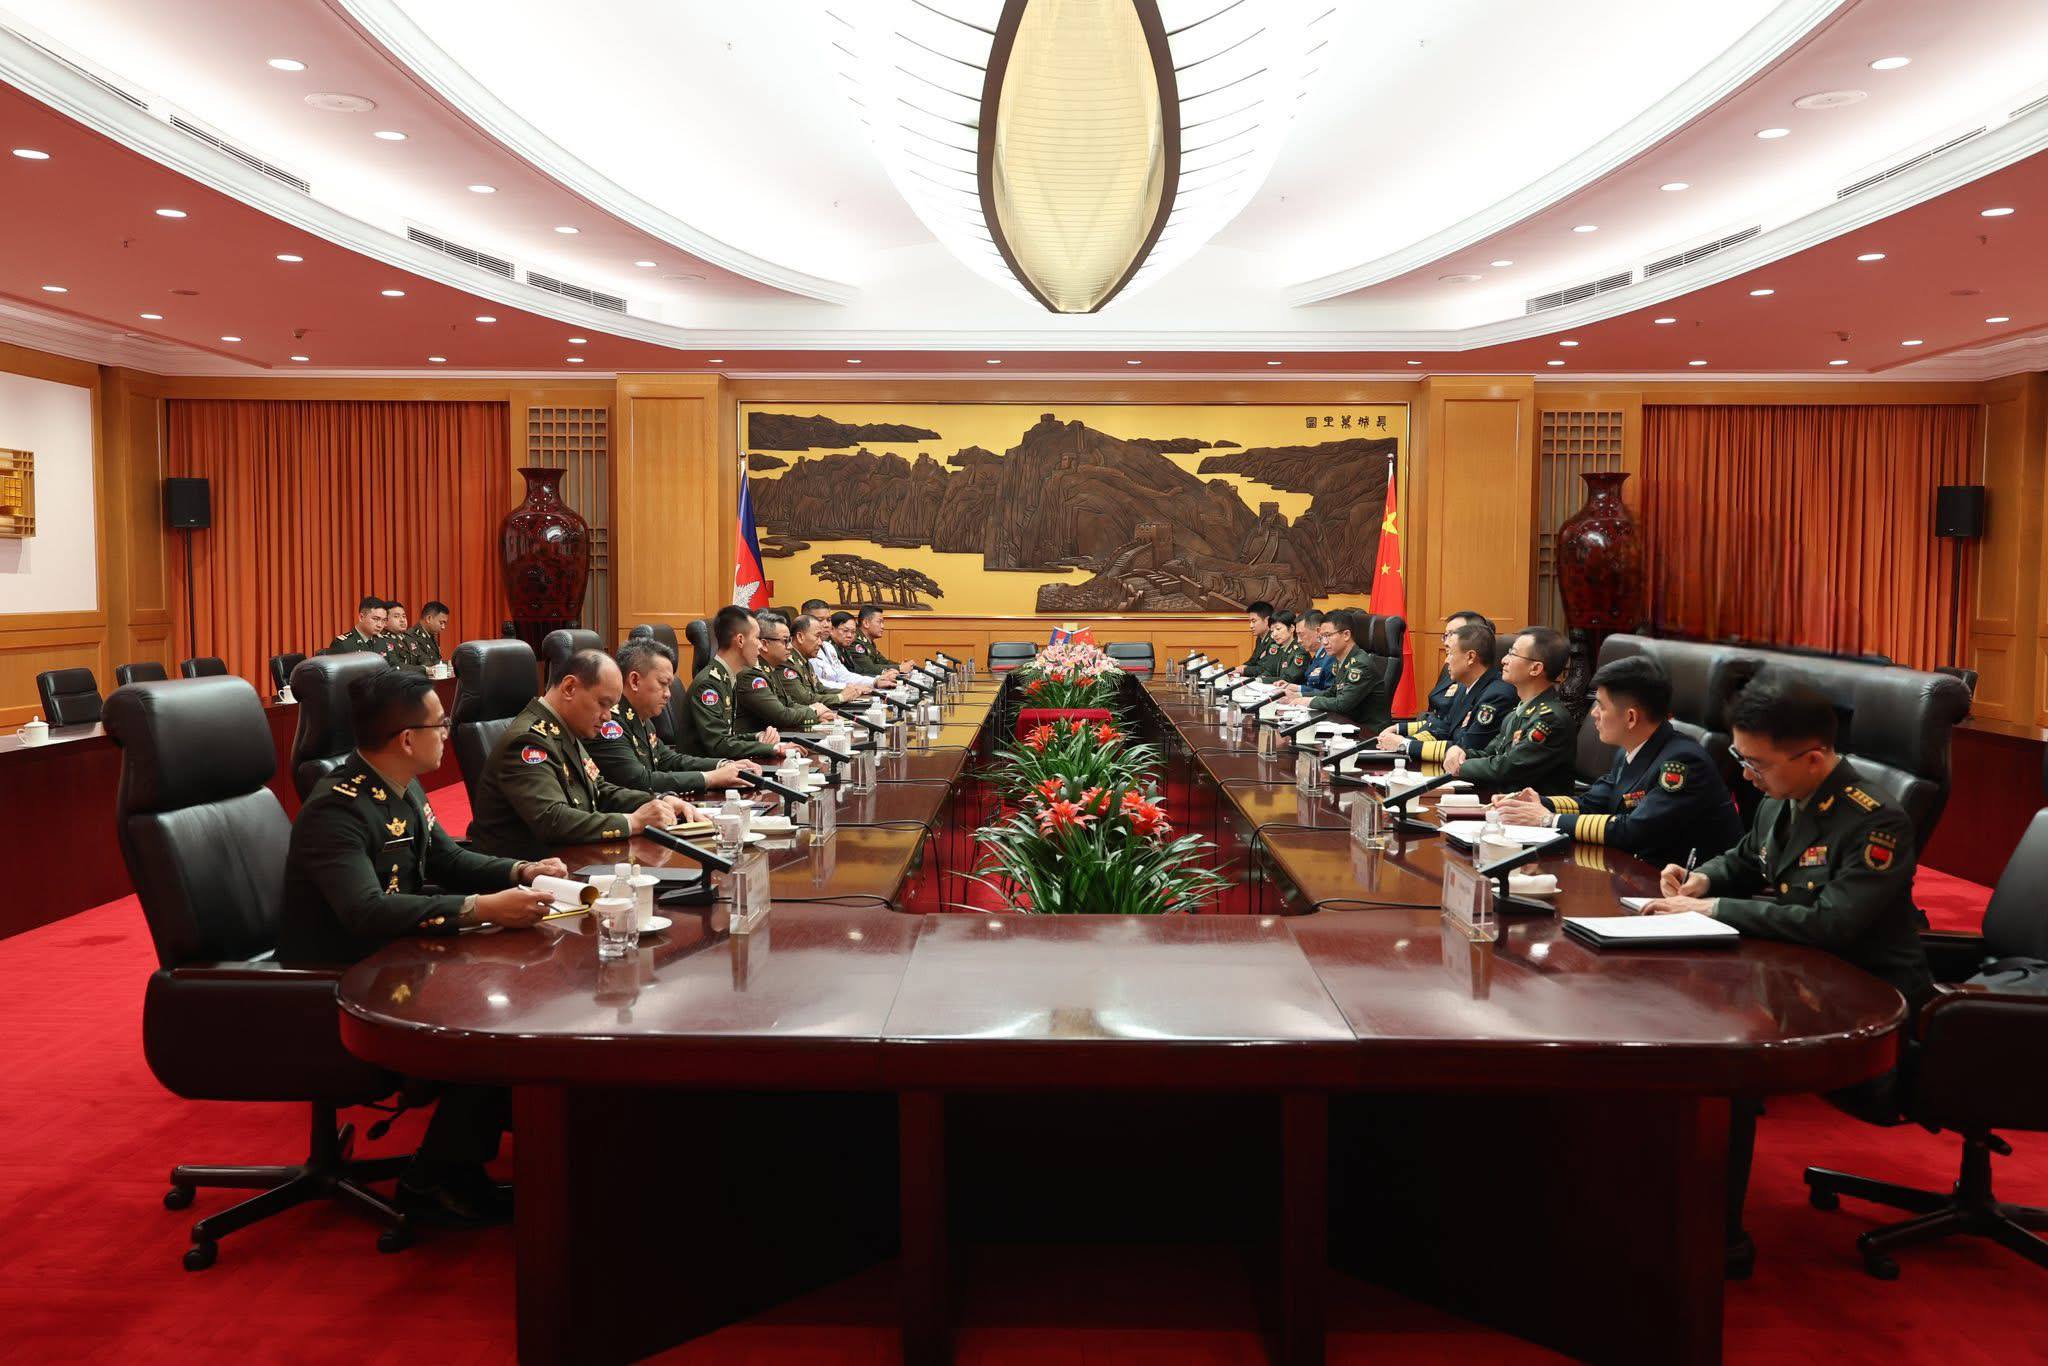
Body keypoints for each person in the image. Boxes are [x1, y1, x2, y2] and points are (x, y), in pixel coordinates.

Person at [1645, 672, 1933, 1278]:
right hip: (1798, 974)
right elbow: (1748, 858)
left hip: (1866, 999)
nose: (1747, 775)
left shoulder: (1875, 821)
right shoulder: (1782, 795)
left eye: (1757, 763)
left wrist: (1715, 910)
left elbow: (1833, 923)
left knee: (1725, 1054)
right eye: (1740, 759)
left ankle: (1716, 1239)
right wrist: (1703, 879)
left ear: (1815, 758)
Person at [278, 668, 564, 1226]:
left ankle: (499, 1141)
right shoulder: (338, 808)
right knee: (491, 1024)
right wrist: (480, 909)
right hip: (341, 975)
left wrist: (521, 870)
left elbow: (446, 859)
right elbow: (364, 912)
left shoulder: (400, 783)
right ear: (408, 739)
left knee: (521, 988)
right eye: (440, 724)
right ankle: (434, 1178)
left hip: (396, 951)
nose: (448, 734)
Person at [1491, 654, 1743, 868]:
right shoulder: (1632, 749)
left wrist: (1547, 819)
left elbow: (1635, 830)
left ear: (1631, 717)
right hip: (1634, 872)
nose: (1593, 714)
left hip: (1681, 888)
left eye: (1600, 706)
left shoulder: (1682, 762)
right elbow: (1595, 801)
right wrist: (1537, 803)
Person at [466, 648, 687, 858]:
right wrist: (633, 822)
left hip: (570, 860)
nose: (608, 717)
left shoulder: (564, 729)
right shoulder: (529, 740)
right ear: (570, 688)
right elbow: (553, 819)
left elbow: (598, 790)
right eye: (603, 703)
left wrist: (659, 801)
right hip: (530, 874)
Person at [587, 637, 754, 796]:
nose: (668, 694)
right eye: (662, 683)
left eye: (669, 686)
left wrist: (723, 765)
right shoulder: (609, 724)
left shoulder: (641, 717)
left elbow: (667, 759)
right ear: (635, 681)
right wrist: (710, 778)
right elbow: (639, 781)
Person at [1442, 625, 1574, 794]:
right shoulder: (1517, 712)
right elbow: (1490, 753)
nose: (1504, 659)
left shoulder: (1550, 719)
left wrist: (1460, 766)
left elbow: (1508, 767)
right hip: (1504, 801)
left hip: (1531, 807)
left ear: (1535, 669)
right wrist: (1458, 752)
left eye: (1513, 654)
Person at [1373, 619, 1515, 764]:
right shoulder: (1464, 687)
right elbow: (1442, 729)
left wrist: (1405, 745)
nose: (1446, 660)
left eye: (1451, 654)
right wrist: (1400, 740)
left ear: (1470, 657)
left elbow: (1465, 749)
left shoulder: (1497, 695)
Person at [679, 605, 788, 762]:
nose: (760, 645)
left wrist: (758, 736)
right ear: (740, 640)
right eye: (757, 638)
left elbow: (728, 735)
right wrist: (773, 748)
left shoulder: (728, 676)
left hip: (726, 765)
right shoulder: (709, 685)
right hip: (707, 770)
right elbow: (718, 744)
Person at [1281, 608, 1391, 731]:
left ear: (1346, 635)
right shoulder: (1342, 660)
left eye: (1328, 636)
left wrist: (1308, 701)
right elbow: (1331, 693)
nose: (1324, 642)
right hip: (1347, 723)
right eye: (1322, 637)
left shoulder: (1359, 665)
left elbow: (1342, 704)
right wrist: (1298, 696)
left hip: (1368, 732)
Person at [1398, 610, 1489, 740]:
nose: (1446, 642)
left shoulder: (1487, 690)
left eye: (1452, 634)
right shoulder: (1452, 669)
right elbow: (1441, 721)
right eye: (1446, 635)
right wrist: (1401, 731)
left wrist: (1406, 744)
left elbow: (1461, 741)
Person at [738, 611, 836, 730]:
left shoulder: (771, 668)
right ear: (764, 644)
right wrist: (814, 711)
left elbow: (788, 704)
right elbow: (781, 716)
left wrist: (816, 712)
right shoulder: (751, 675)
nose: (790, 646)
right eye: (785, 641)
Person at [787, 611, 869, 703]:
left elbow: (820, 688)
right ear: (800, 637)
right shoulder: (788, 663)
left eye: (828, 620)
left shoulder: (805, 660)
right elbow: (804, 699)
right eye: (817, 636)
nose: (820, 642)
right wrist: (840, 697)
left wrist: (851, 691)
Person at [322, 595, 393, 658]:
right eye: (375, 619)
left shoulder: (382, 642)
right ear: (361, 617)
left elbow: (390, 666)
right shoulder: (343, 644)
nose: (380, 625)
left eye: (383, 620)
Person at [1249, 610, 1308, 683]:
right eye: (1272, 631)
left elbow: (1288, 679)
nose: (1274, 634)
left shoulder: (1300, 651)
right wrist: (1259, 678)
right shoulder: (1279, 648)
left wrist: (1261, 680)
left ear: (1292, 628)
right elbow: (1270, 671)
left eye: (1278, 629)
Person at [846, 604, 899, 676]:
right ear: (866, 623)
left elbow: (883, 661)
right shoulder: (855, 640)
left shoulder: (869, 641)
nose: (882, 626)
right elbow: (869, 668)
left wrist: (902, 666)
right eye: (879, 622)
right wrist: (899, 668)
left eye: (883, 622)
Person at [1297, 610, 1335, 695]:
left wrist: (1299, 694)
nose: (1298, 640)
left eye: (1301, 634)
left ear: (1318, 632)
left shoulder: (1330, 656)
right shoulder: (1318, 654)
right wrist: (1296, 688)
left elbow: (1330, 693)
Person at [382, 601, 424, 671]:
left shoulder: (409, 638)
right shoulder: (383, 640)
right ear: (385, 621)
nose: (402, 620)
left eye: (404, 616)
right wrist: (424, 669)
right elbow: (396, 666)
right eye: (396, 616)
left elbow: (423, 658)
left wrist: (431, 667)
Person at [412, 600, 451, 668]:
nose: (443, 627)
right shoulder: (411, 636)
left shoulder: (430, 635)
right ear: (429, 618)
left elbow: (436, 660)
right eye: (441, 623)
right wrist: (451, 663)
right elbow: (427, 664)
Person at [1243, 600, 1276, 674]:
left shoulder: (1275, 639)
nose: (1251, 626)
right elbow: (1253, 661)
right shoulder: (1260, 638)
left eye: (1254, 621)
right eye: (1250, 622)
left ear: (1267, 620)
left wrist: (1243, 670)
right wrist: (1238, 668)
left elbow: (1265, 668)